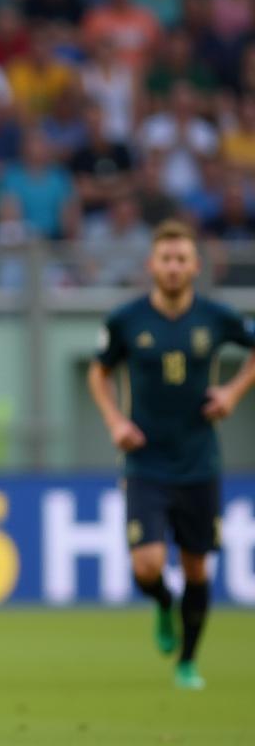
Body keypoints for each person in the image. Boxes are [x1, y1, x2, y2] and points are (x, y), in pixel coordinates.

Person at [87, 220, 255, 690]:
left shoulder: (217, 318)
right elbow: (98, 374)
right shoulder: (126, 321)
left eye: (182, 259)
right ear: (152, 265)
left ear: (195, 266)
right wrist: (116, 422)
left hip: (199, 461)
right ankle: (163, 601)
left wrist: (233, 393)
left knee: (198, 565)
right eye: (166, 259)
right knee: (147, 565)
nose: (174, 267)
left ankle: (187, 661)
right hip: (146, 462)